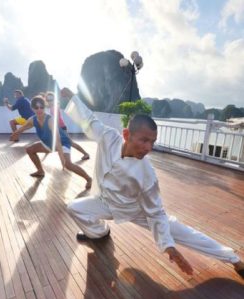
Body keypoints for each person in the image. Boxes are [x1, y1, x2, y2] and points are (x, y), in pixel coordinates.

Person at [60, 87, 244, 278]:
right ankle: (99, 232)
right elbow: (89, 120)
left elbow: (156, 213)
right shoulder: (108, 138)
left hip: (136, 210)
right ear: (126, 135)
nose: (148, 148)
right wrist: (72, 97)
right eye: (144, 140)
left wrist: (168, 246)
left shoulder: (147, 173)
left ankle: (234, 260)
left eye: (152, 142)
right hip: (106, 202)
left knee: (183, 232)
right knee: (74, 208)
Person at [10, 95, 92, 189]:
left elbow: (57, 140)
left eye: (42, 107)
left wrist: (62, 158)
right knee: (30, 149)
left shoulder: (50, 120)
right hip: (48, 143)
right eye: (36, 107)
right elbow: (24, 127)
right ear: (32, 108)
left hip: (62, 142)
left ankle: (89, 179)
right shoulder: (32, 120)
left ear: (45, 107)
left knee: (68, 164)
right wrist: (15, 134)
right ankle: (40, 171)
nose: (39, 110)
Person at [42, 91, 90, 160]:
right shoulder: (53, 107)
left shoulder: (53, 108)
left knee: (70, 143)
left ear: (54, 100)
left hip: (60, 128)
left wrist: (55, 130)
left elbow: (57, 120)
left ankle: (85, 154)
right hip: (60, 128)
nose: (49, 101)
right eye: (48, 100)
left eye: (51, 99)